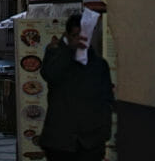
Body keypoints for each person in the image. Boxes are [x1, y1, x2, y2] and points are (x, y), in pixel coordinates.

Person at [38, 13, 114, 161]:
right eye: (76, 35)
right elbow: (50, 74)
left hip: (91, 142)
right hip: (60, 142)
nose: (81, 40)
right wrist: (68, 50)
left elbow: (106, 100)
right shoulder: (55, 54)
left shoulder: (99, 65)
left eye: (84, 35)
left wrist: (103, 134)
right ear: (68, 36)